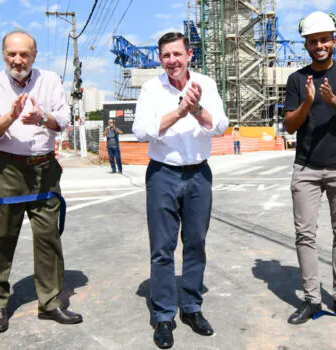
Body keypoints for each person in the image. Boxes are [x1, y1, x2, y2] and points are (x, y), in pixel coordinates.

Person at [0, 30, 82, 333]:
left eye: (24, 54)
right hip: (7, 168)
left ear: (34, 55)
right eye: (12, 53)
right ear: (3, 53)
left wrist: (42, 118)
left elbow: (63, 120)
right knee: (1, 237)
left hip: (45, 168)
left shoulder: (50, 81)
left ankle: (51, 302)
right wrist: (12, 116)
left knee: (48, 238)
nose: (18, 60)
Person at [133, 32, 228, 349]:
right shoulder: (151, 87)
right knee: (162, 248)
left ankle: (192, 308)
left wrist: (197, 107)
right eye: (165, 56)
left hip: (199, 174)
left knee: (196, 243)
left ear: (189, 54)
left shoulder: (206, 83)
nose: (171, 60)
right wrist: (179, 111)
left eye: (177, 54)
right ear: (160, 59)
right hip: (162, 173)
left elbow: (220, 125)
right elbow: (141, 130)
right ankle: (163, 315)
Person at [283, 11, 336, 325]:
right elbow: (290, 126)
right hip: (306, 168)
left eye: (324, 39)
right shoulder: (296, 79)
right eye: (313, 41)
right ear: (306, 45)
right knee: (305, 235)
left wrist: (332, 100)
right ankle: (312, 300)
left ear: (334, 41)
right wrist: (307, 102)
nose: (319, 45)